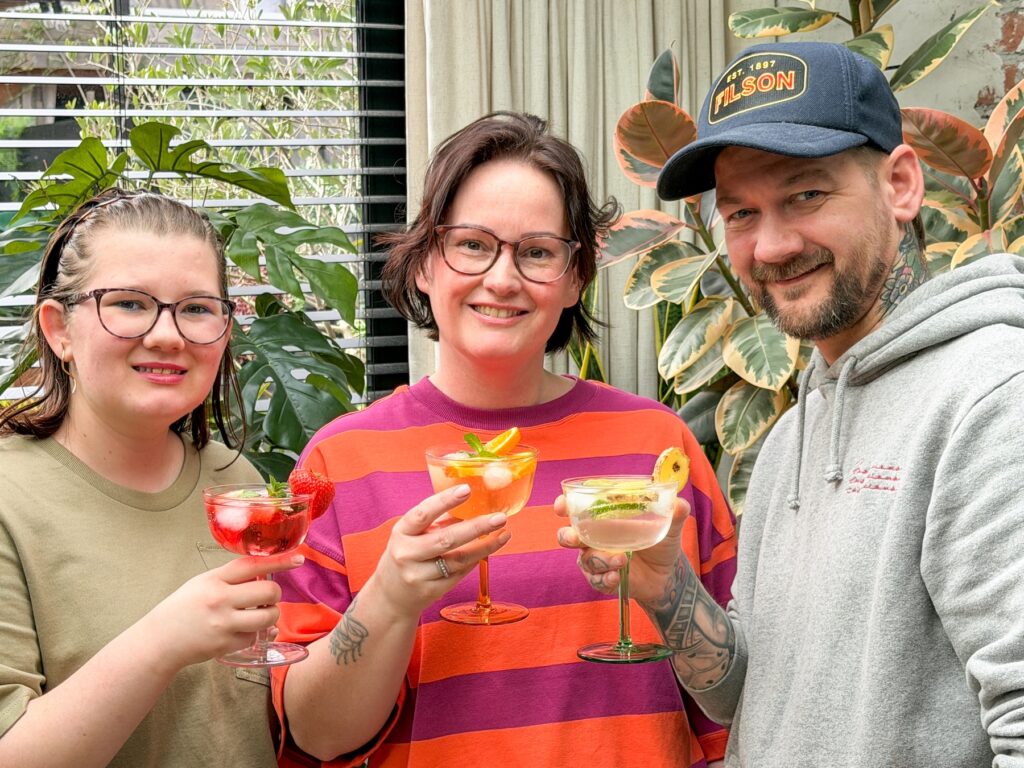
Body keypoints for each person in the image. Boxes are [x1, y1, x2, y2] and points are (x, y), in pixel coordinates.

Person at [560, 40, 1024, 766]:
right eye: (741, 212)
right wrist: (665, 585)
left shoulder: (994, 399)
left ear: (901, 185)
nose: (770, 246)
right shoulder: (789, 438)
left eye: (806, 195)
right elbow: (747, 693)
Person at [269, 112, 737, 767]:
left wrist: (669, 590)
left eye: (537, 251)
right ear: (426, 262)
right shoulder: (339, 464)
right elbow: (317, 736)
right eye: (472, 244)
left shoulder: (658, 448)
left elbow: (733, 696)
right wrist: (391, 598)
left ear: (575, 279)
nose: (502, 278)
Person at [0, 188, 302, 768]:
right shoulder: (9, 500)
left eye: (196, 308)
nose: (168, 335)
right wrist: (164, 641)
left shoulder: (233, 480)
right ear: (59, 329)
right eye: (131, 304)